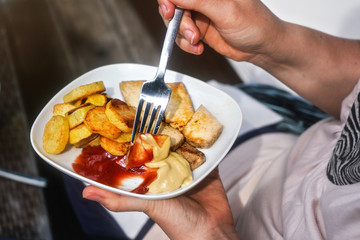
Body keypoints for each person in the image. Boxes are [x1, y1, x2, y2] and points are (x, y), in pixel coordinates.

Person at [82, 0, 360, 239]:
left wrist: (214, 233)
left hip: (200, 218)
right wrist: (270, 41)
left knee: (80, 191)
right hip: (279, 144)